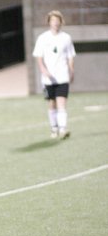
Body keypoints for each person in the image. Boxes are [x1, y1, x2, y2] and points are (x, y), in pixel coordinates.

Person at [33, 10, 76, 139]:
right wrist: (43, 70)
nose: (55, 23)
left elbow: (70, 56)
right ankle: (54, 128)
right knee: (52, 103)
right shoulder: (42, 38)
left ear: (61, 22)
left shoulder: (66, 38)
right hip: (48, 79)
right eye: (53, 20)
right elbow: (38, 56)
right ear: (49, 22)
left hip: (62, 76)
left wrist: (71, 70)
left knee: (62, 102)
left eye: (57, 21)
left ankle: (63, 129)